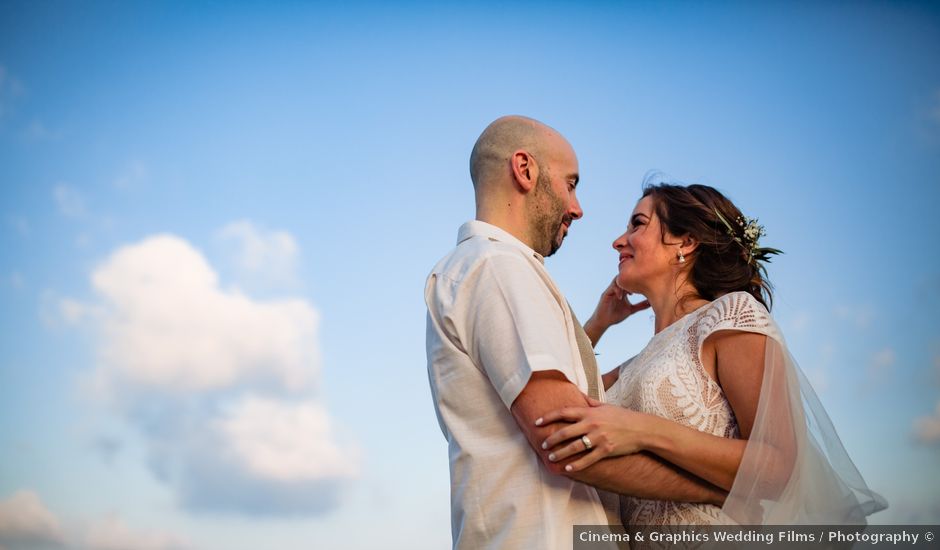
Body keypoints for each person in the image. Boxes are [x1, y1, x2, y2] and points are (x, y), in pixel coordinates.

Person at [424, 118, 726, 550]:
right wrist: (717, 490)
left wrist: (596, 327)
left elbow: (562, 390)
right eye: (571, 184)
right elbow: (567, 441)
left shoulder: (489, 269)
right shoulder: (498, 268)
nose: (578, 207)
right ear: (524, 170)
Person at [538, 182, 887, 526]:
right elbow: (562, 400)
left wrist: (644, 430)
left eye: (638, 224)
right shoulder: (633, 366)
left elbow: (781, 468)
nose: (618, 240)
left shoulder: (730, 316)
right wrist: (598, 324)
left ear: (686, 242)